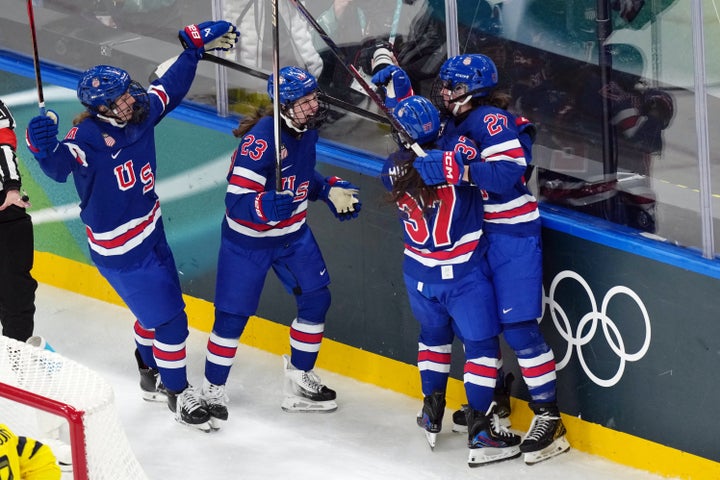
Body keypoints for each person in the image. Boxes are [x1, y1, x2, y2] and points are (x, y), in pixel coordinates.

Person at [24, 19, 239, 432]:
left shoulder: (138, 115)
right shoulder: (85, 136)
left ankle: (148, 370)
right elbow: (55, 169)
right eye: (120, 99)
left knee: (155, 313)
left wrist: (192, 49)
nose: (130, 100)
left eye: (127, 92)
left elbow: (169, 89)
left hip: (152, 231)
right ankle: (177, 393)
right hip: (121, 251)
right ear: (101, 108)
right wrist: (39, 146)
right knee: (173, 321)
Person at [407, 53, 571, 465]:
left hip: (511, 235)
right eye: (444, 84)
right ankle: (495, 403)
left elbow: (506, 177)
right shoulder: (451, 122)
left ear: (476, 90)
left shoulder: (490, 121)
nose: (445, 92)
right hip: (476, 236)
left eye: (455, 87)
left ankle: (549, 419)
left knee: (517, 329)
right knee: (479, 328)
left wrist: (453, 167)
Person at [200, 65, 361, 427]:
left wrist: (326, 189)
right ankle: (212, 387)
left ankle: (298, 376)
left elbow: (302, 173)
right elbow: (236, 201)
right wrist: (263, 206)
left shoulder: (306, 132)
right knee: (231, 317)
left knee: (317, 299)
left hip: (293, 236)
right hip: (249, 243)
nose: (313, 105)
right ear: (285, 105)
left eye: (313, 97)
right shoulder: (260, 142)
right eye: (304, 101)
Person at [382, 95, 521, 465]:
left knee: (433, 338)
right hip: (462, 277)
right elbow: (489, 170)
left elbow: (411, 156)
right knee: (482, 348)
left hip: (419, 276)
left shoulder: (391, 167)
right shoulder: (454, 156)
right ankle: (479, 430)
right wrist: (457, 157)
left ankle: (431, 411)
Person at [0, 99, 38, 343]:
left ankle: (16, 359)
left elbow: (4, 144)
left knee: (15, 293)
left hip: (5, 212)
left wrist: (12, 187)